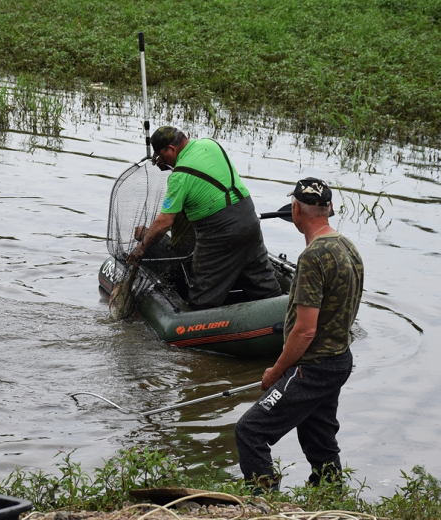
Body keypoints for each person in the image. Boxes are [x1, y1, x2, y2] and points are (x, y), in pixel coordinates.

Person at [234, 177, 364, 491]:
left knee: (250, 432)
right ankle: (331, 496)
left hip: (314, 366)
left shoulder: (312, 257)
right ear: (330, 208)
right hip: (338, 359)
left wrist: (277, 372)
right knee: (318, 437)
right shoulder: (348, 246)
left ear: (295, 209)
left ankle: (264, 505)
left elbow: (305, 331)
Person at [127, 126, 281, 310]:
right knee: (265, 286)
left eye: (161, 156)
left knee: (202, 297)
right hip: (249, 221)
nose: (161, 161)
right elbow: (202, 175)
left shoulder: (179, 177)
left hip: (219, 234)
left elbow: (164, 222)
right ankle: (281, 315)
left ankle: (200, 326)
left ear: (171, 149)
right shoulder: (210, 144)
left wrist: (142, 247)